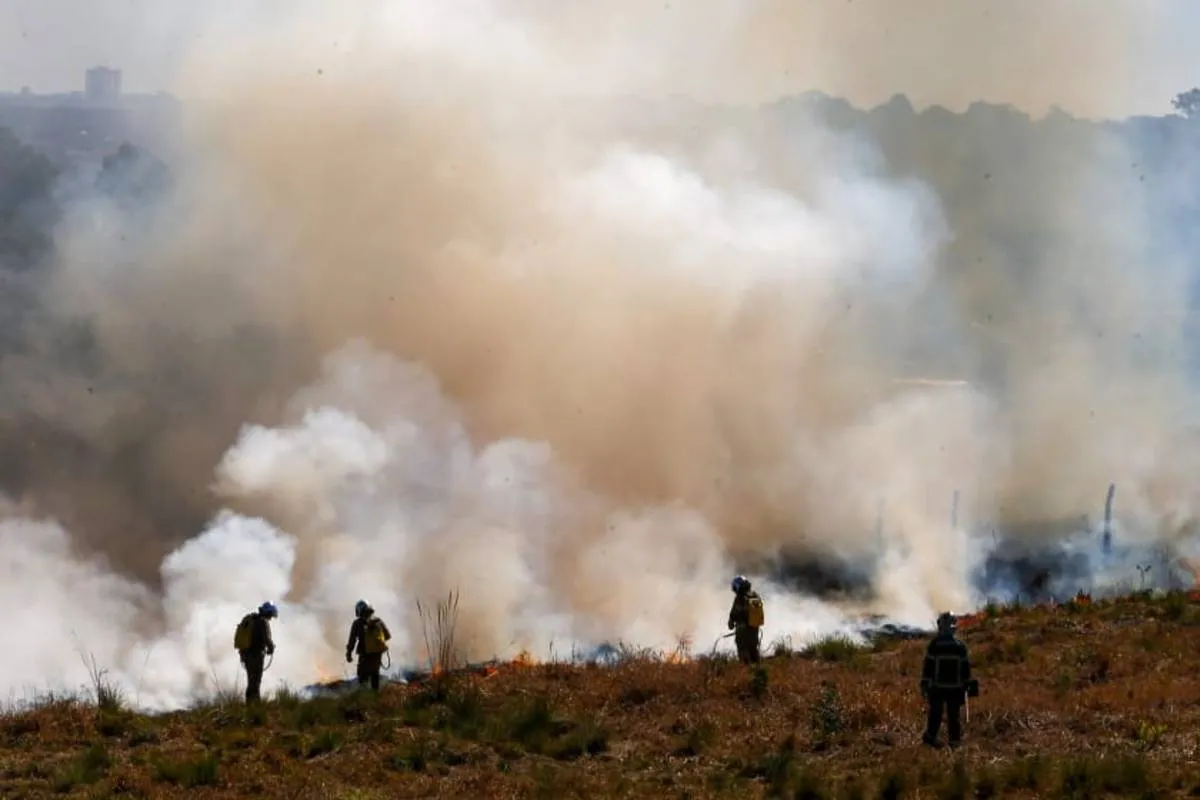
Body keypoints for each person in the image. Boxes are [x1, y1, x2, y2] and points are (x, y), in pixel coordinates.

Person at [920, 611, 978, 748]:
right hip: (955, 689)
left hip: (937, 688)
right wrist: (967, 684)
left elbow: (928, 668)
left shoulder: (934, 645)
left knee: (936, 714)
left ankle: (930, 738)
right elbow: (966, 670)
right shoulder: (960, 646)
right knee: (954, 717)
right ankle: (954, 743)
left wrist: (924, 685)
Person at [234, 602, 277, 704]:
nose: (271, 618)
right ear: (268, 613)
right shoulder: (263, 622)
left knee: (251, 680)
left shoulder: (252, 620)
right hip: (256, 656)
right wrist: (271, 648)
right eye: (271, 615)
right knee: (256, 682)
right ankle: (255, 706)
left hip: (246, 655)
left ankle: (250, 703)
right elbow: (267, 639)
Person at [346, 599, 392, 691]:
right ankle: (375, 695)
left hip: (364, 653)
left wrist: (349, 653)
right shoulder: (378, 621)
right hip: (377, 654)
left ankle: (364, 698)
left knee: (363, 676)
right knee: (375, 674)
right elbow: (387, 636)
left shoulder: (357, 623)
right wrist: (377, 642)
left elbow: (352, 640)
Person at [727, 575, 764, 664]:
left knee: (743, 653)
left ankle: (745, 673)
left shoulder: (739, 598)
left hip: (742, 632)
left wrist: (731, 623)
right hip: (754, 630)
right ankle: (758, 671)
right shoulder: (755, 595)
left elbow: (733, 614)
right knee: (754, 651)